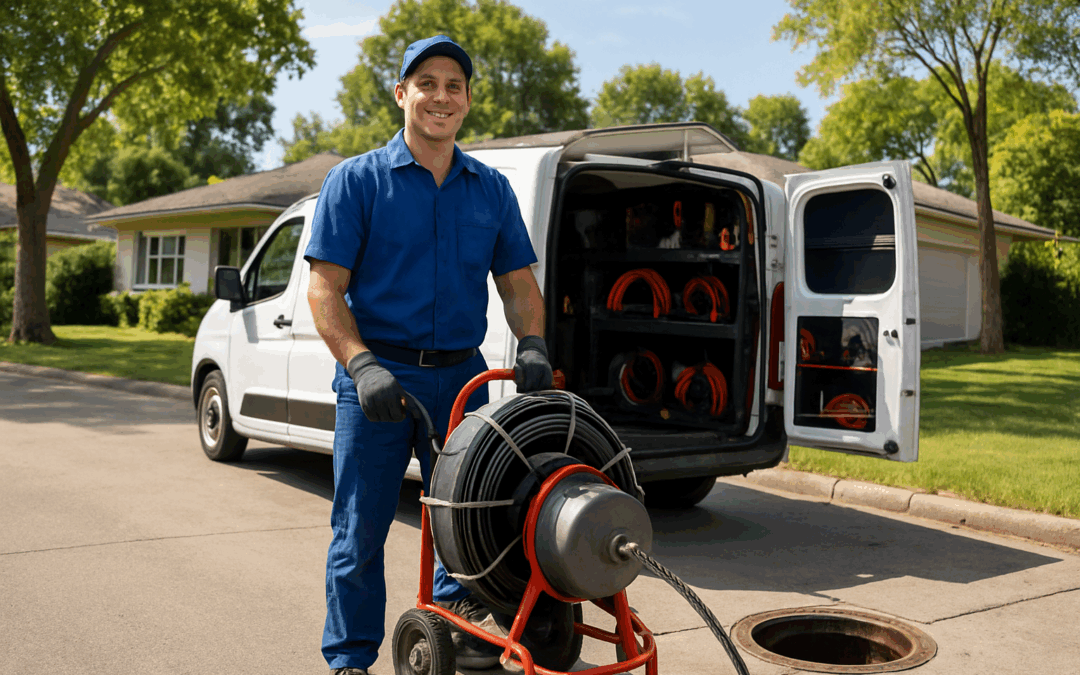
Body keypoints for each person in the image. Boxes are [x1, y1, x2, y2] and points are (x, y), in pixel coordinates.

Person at [304, 35, 552, 675]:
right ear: (402, 94)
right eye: (427, 84)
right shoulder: (355, 182)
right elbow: (325, 288)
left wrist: (531, 343)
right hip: (380, 379)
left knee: (465, 520)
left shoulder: (489, 189)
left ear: (467, 100)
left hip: (463, 379)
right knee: (359, 533)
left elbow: (518, 282)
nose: (441, 96)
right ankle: (350, 660)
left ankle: (451, 630)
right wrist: (361, 365)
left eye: (454, 86)